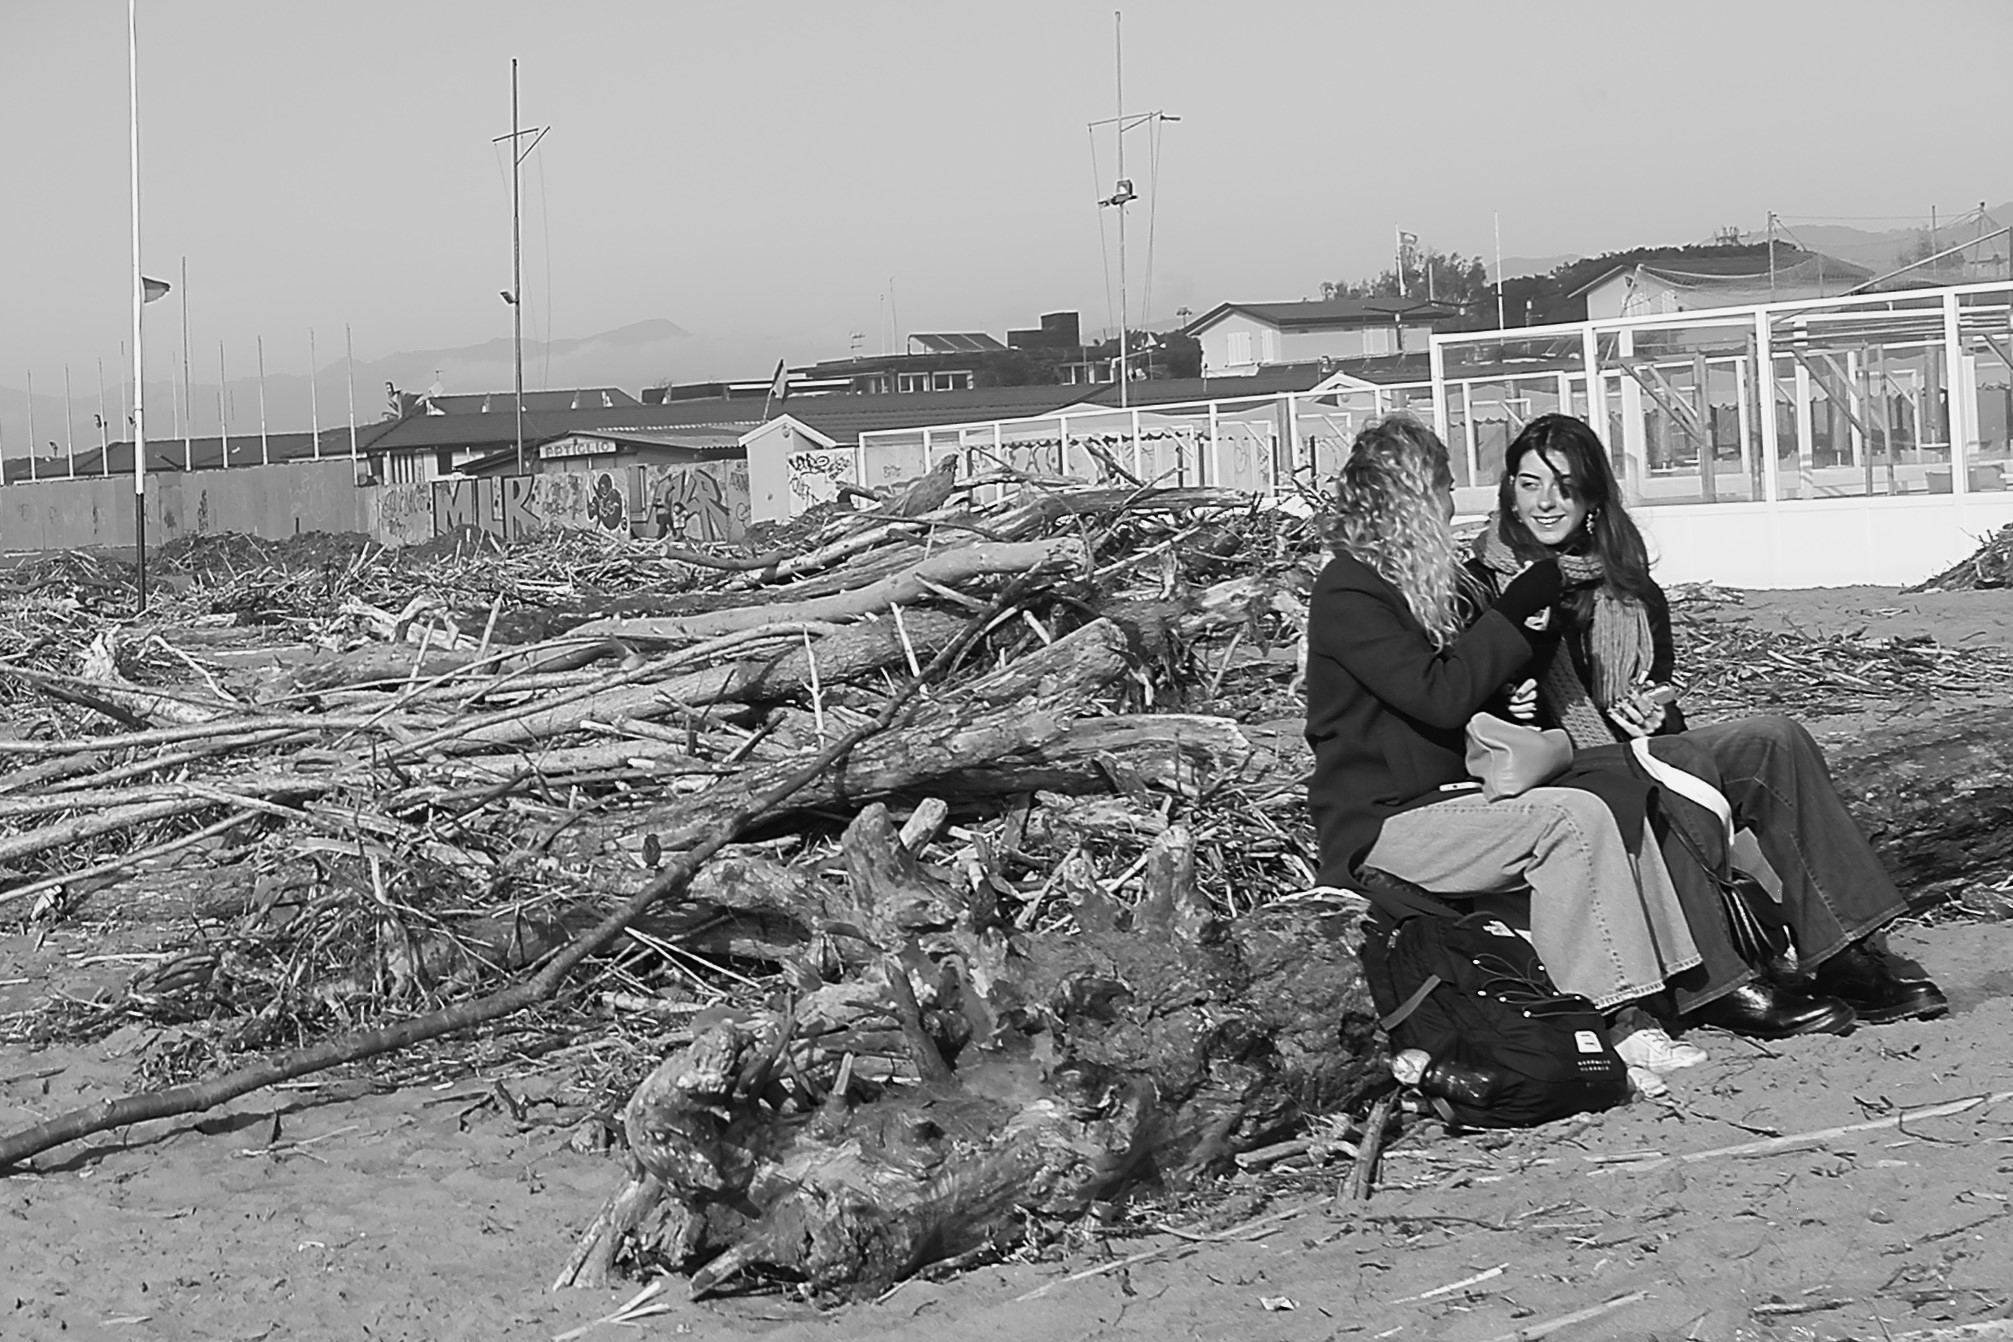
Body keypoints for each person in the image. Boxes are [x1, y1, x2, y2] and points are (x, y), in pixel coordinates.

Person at [1466, 413, 1946, 1035]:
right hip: (1547, 770)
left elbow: (1662, 699)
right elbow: (1465, 701)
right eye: (1530, 484)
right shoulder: (1483, 584)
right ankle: (1716, 982)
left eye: (1565, 486)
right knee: (1670, 764)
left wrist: (1654, 710)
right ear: (1509, 491)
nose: (1546, 503)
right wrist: (1519, 703)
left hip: (1633, 748)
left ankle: (1842, 952)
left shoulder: (1630, 588)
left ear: (1592, 498)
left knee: (1775, 739)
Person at [1305, 415, 1705, 1069]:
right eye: (1443, 488)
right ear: (1412, 496)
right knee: (1569, 819)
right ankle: (1615, 1018)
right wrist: (1514, 611)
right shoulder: (1348, 590)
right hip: (1381, 823)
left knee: (1608, 797)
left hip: (1447, 799)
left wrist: (1505, 693)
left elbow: (1452, 698)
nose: (1449, 505)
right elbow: (1437, 696)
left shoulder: (1416, 589)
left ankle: (1678, 987)